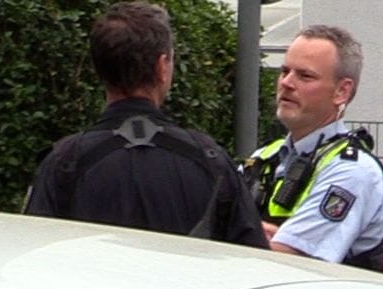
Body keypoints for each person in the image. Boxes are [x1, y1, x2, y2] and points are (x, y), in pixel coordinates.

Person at [25, 2, 265, 247]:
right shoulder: (211, 162)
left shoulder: (63, 164)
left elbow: (36, 256)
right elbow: (253, 261)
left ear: (98, 69)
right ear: (162, 67)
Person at [241, 25, 383, 270]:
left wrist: (242, 233)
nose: (286, 83)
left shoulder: (354, 172)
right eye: (284, 71)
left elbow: (288, 261)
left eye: (305, 76)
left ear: (342, 91)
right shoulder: (264, 158)